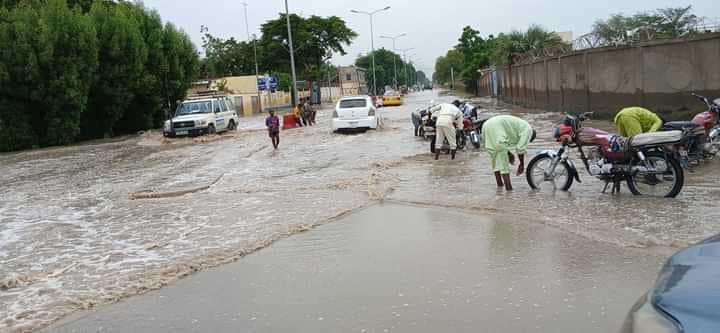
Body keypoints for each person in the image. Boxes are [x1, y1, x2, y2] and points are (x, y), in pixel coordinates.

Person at [482, 115, 536, 191]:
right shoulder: (528, 130)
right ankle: (509, 190)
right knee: (504, 164)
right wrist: (522, 164)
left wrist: (508, 153)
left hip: (486, 125)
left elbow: (503, 141)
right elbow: (520, 148)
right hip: (496, 127)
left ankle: (500, 186)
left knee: (495, 159)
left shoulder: (522, 125)